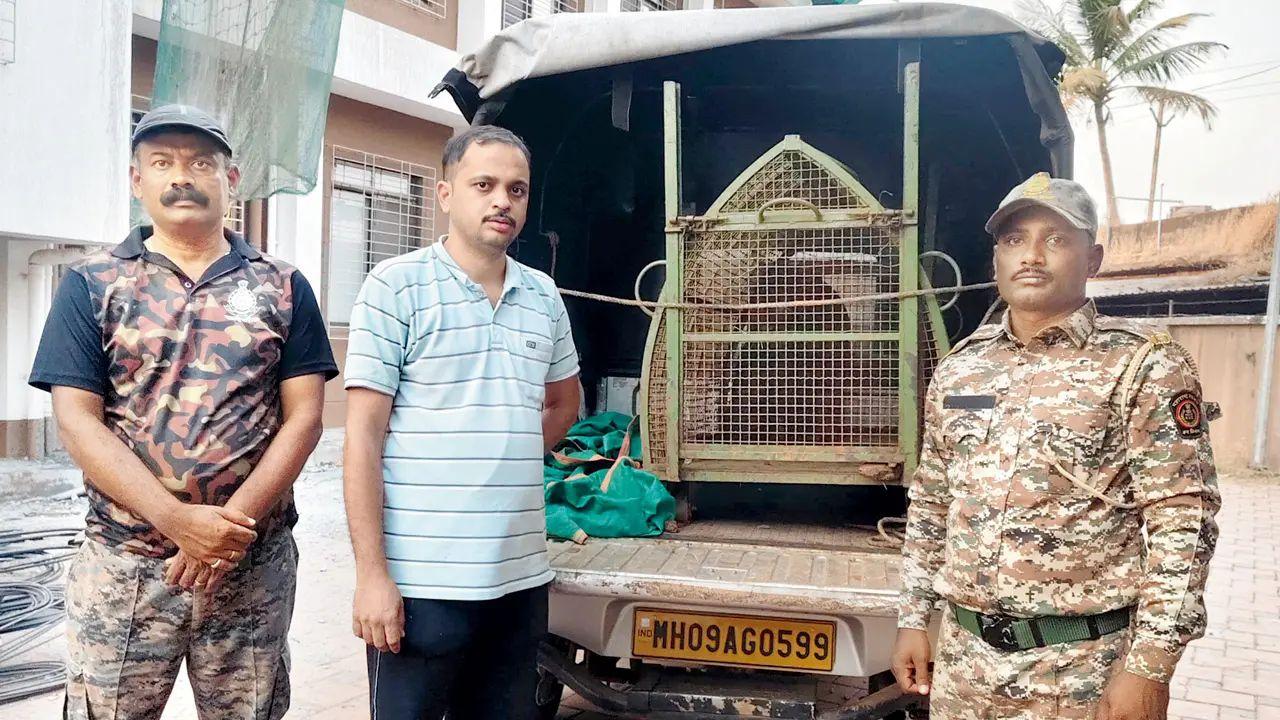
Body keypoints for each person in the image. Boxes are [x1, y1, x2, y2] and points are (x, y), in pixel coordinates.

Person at [29, 104, 338, 720]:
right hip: (126, 569)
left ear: (232, 178)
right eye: (162, 162)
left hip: (249, 566)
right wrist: (177, 521)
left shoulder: (281, 284)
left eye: (201, 163)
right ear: (136, 180)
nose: (182, 176)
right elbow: (77, 421)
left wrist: (220, 534)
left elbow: (305, 418)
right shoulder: (93, 284)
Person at [891, 173, 1220, 720]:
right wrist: (912, 618)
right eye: (1014, 240)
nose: (1032, 256)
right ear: (996, 258)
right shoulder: (962, 367)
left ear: (1093, 260)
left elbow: (1184, 519)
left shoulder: (1144, 366)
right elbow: (932, 501)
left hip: (1081, 671)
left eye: (1057, 238)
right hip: (964, 666)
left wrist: (1150, 666)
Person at [343, 124, 581, 720]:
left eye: (517, 189)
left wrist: (505, 452)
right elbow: (364, 439)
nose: (503, 200)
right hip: (422, 585)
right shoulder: (395, 287)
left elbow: (562, 405)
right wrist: (373, 575)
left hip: (519, 581)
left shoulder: (544, 296)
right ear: (446, 194)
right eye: (484, 184)